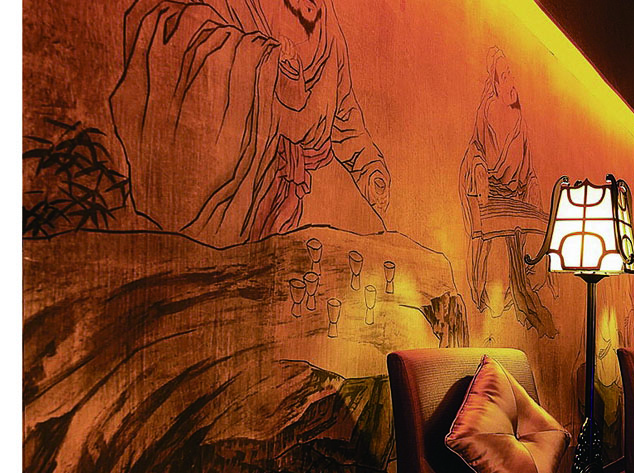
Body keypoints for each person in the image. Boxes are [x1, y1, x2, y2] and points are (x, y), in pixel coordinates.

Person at [110, 0, 390, 247]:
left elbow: (343, 106)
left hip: (287, 195)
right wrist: (267, 62)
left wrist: (368, 166)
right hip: (233, 184)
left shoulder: (324, 19)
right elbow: (166, 28)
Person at [458, 47, 558, 338]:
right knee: (495, 271)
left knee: (543, 232)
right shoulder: (487, 113)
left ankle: (530, 285)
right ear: (495, 84)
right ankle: (486, 299)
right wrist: (479, 170)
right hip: (490, 194)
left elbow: (527, 166)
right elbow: (475, 149)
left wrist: (532, 186)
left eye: (511, 74)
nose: (511, 81)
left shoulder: (519, 120)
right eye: (505, 76)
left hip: (515, 194)